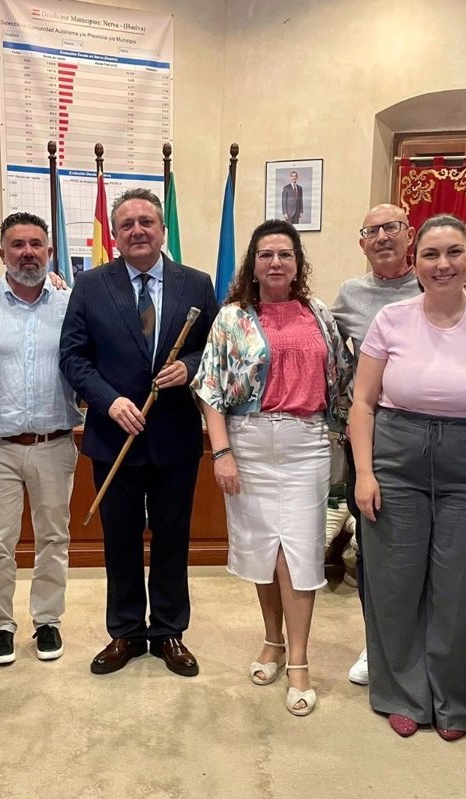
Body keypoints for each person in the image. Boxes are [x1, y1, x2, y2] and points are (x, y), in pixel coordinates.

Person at [348, 214, 466, 740]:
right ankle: (402, 694)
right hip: (397, 460)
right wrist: (364, 473)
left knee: (460, 586)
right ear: (414, 260)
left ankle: (455, 701)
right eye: (431, 254)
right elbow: (363, 402)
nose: (443, 264)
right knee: (394, 582)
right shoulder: (391, 319)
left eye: (454, 252)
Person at [192, 219, 351, 716]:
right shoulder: (232, 317)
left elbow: (344, 382)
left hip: (306, 444)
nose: (276, 262)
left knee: (298, 553)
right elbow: (210, 388)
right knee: (264, 550)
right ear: (253, 265)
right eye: (266, 255)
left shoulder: (319, 314)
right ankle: (272, 641)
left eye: (285, 254)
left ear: (298, 263)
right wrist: (222, 453)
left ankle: (299, 660)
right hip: (249, 443)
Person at [59, 187, 218, 677]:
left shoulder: (196, 283)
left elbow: (214, 348)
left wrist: (189, 367)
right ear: (114, 234)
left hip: (175, 436)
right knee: (120, 539)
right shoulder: (90, 285)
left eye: (146, 222)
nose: (137, 231)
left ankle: (169, 630)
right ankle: (126, 631)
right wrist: (109, 401)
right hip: (115, 438)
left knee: (172, 538)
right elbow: (73, 357)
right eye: (126, 224)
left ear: (162, 230)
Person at [0, 212, 80, 665]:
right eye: (17, 245)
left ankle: (47, 620)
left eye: (36, 244)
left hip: (54, 442)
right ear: (2, 253)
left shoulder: (70, 304)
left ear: (50, 252)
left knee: (54, 537)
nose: (27, 253)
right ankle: (1, 625)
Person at [331, 204, 419, 686]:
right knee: (374, 546)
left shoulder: (434, 283)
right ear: (362, 243)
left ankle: (423, 646)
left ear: (410, 235)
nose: (383, 237)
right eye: (373, 231)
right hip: (368, 438)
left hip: (429, 435)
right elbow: (329, 355)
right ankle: (377, 644)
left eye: (392, 228)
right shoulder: (350, 294)